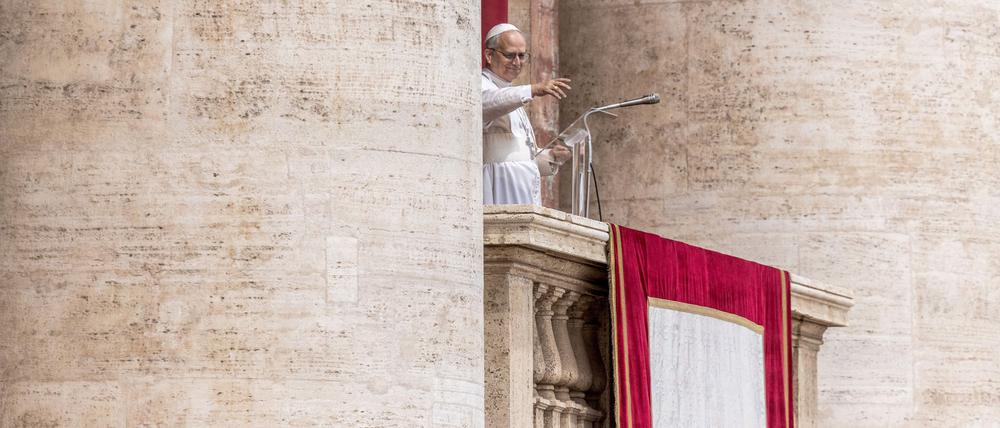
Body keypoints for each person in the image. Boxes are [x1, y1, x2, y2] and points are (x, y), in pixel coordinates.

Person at [482, 23, 572, 205]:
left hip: (522, 184)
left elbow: (519, 154)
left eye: (521, 56)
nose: (517, 62)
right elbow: (488, 102)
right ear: (489, 55)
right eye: (510, 55)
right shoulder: (482, 85)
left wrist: (551, 156)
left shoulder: (511, 92)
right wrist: (532, 89)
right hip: (499, 183)